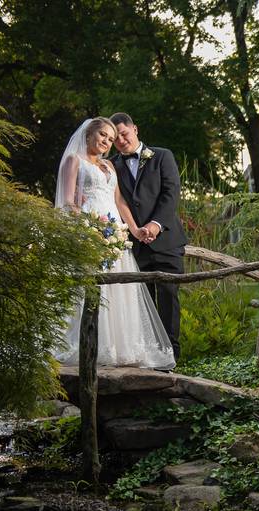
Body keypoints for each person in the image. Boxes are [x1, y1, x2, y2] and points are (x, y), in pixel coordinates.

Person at [53, 117, 176, 370]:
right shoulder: (73, 161)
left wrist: (133, 230)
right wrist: (90, 231)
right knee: (91, 291)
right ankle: (89, 347)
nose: (108, 142)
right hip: (90, 235)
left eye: (111, 139)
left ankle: (121, 349)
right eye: (104, 136)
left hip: (115, 237)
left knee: (120, 291)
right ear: (89, 133)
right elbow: (67, 202)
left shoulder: (110, 165)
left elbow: (119, 202)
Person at [109, 112, 189, 362]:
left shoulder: (162, 156)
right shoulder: (112, 165)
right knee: (141, 303)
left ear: (135, 129)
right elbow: (117, 201)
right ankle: (148, 355)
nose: (121, 140)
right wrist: (134, 229)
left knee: (168, 298)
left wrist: (155, 225)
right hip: (134, 245)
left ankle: (170, 357)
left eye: (124, 133)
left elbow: (170, 192)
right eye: (116, 138)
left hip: (166, 241)